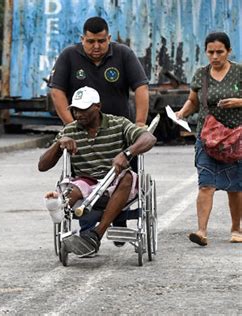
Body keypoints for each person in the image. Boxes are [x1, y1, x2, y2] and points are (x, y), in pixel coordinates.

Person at [38, 86, 156, 256]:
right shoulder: (70, 130)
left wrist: (126, 153)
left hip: (116, 180)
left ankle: (95, 235)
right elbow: (42, 166)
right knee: (73, 187)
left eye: (83, 109)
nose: (78, 114)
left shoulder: (119, 123)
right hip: (85, 181)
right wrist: (59, 144)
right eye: (75, 110)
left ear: (97, 106)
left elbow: (149, 138)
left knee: (129, 177)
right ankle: (59, 211)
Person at [175, 32, 241, 246]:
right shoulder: (201, 74)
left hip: (235, 140)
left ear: (229, 51)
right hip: (207, 138)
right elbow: (193, 101)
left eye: (219, 52)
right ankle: (201, 230)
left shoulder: (239, 72)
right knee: (206, 184)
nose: (215, 56)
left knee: (236, 187)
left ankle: (236, 228)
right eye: (210, 52)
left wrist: (239, 102)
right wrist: (181, 113)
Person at [49, 16, 149, 127]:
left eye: (101, 41)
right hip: (81, 129)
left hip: (118, 129)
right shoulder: (68, 56)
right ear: (82, 39)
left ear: (109, 38)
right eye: (90, 41)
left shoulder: (124, 54)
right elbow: (57, 91)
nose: (96, 46)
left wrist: (140, 123)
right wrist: (71, 126)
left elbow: (141, 87)